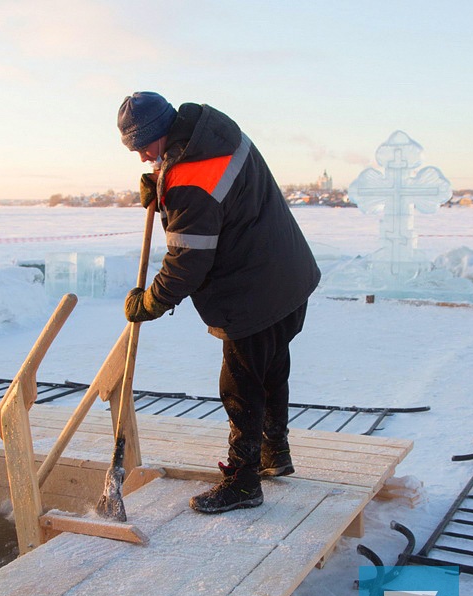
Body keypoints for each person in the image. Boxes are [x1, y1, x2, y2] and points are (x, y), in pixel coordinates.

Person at [116, 91, 320, 514]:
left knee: (240, 385)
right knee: (270, 366)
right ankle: (273, 454)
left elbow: (187, 265)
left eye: (143, 148)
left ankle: (243, 482)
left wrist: (149, 302)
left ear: (160, 133)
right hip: (286, 273)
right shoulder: (212, 134)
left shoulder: (190, 177)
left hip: (253, 288)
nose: (141, 159)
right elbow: (218, 194)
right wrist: (163, 178)